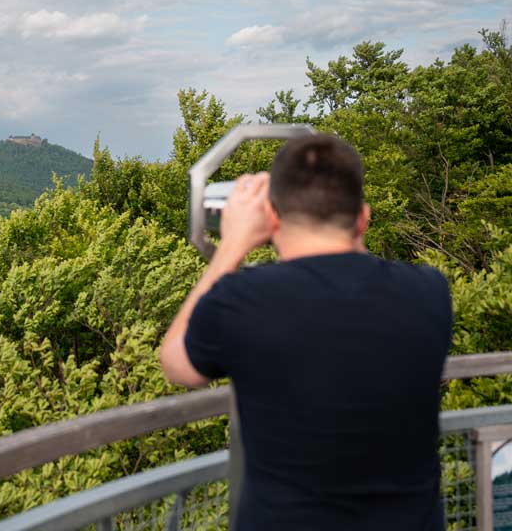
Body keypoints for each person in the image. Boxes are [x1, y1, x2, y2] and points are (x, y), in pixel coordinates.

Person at [159, 134, 452, 531]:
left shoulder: (245, 301)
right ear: (363, 217)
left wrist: (233, 246)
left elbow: (178, 365)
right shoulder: (429, 292)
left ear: (273, 219)